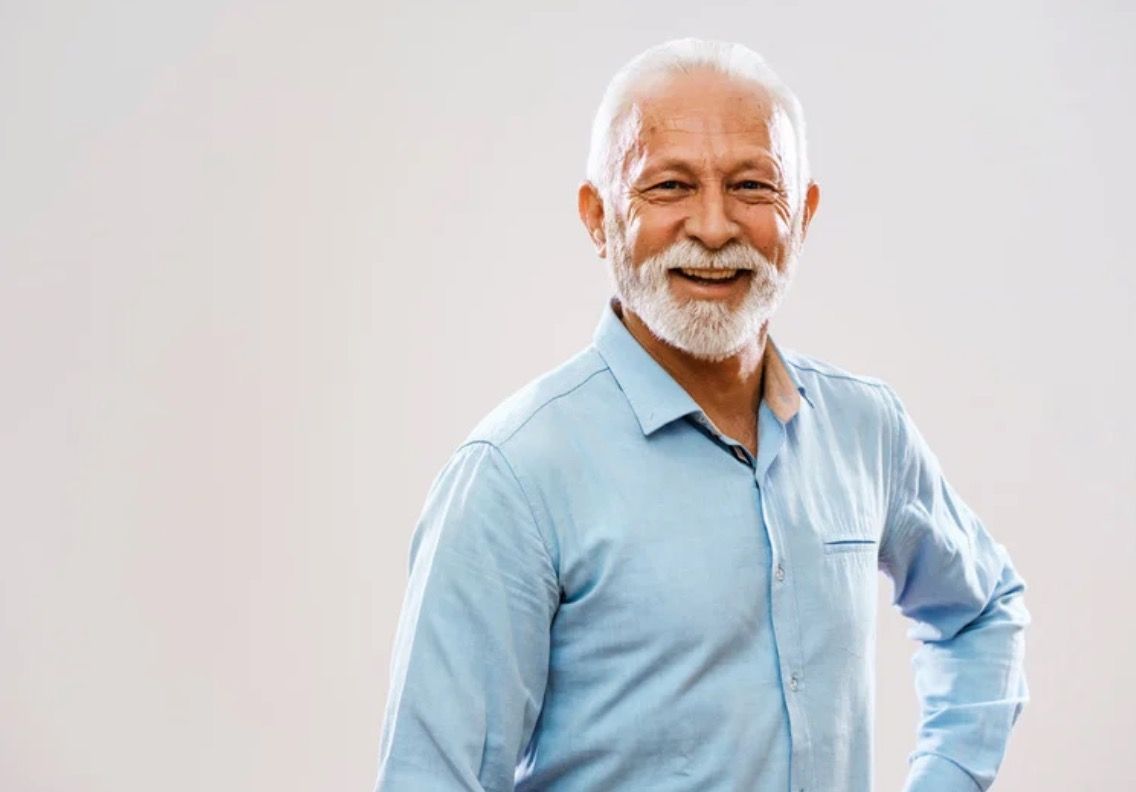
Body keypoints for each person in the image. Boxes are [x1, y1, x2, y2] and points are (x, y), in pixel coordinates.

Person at [372, 37, 1029, 792]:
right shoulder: (514, 476)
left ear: (803, 215)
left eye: (752, 187)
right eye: (669, 187)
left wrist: (947, 776)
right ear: (598, 217)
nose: (714, 229)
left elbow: (984, 610)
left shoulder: (865, 430)